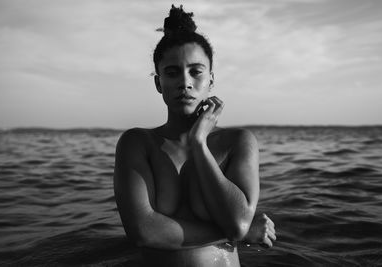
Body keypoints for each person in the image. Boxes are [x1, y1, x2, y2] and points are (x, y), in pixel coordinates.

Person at [114, 5, 276, 267]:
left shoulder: (237, 142)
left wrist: (199, 144)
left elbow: (237, 220)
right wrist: (238, 232)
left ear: (210, 80)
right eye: (172, 72)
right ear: (158, 83)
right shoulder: (137, 144)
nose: (185, 82)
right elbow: (143, 232)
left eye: (196, 71)